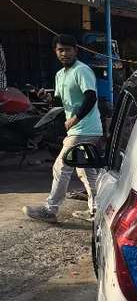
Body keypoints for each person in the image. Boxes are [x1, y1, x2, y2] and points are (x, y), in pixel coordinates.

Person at [23, 35, 103, 224]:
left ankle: (51, 209)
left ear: (76, 50)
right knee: (86, 170)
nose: (64, 53)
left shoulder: (82, 70)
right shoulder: (60, 75)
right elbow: (60, 103)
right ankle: (96, 211)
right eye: (61, 50)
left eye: (68, 49)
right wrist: (47, 98)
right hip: (79, 129)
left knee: (61, 166)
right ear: (55, 52)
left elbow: (90, 97)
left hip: (84, 128)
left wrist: (74, 119)